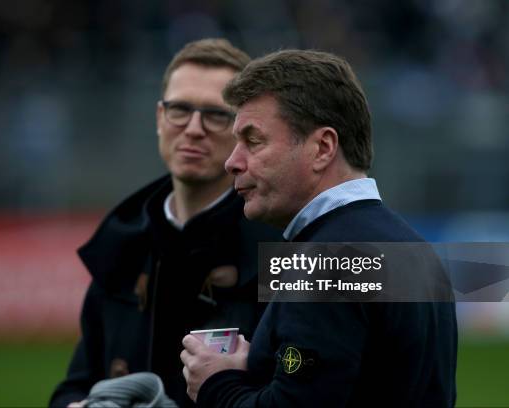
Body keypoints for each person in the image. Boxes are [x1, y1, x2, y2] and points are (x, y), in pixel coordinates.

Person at [181, 50, 457, 407]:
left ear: (323, 148)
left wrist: (215, 384)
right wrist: (261, 365)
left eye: (253, 140)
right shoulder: (415, 248)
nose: (232, 162)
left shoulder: (325, 263)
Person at [49, 39, 280, 408]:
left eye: (216, 114)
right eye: (180, 110)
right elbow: (74, 386)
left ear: (244, 131)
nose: (193, 128)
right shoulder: (120, 244)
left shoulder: (279, 247)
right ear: (160, 118)